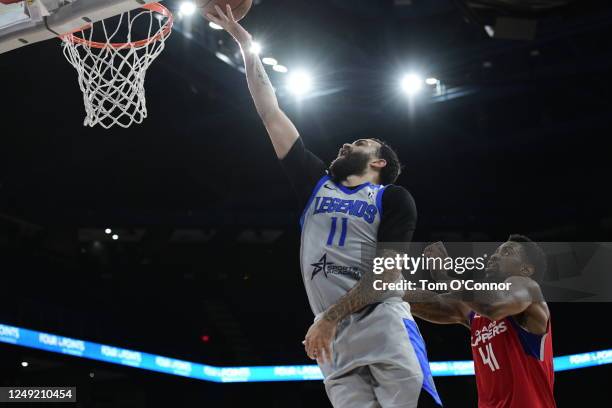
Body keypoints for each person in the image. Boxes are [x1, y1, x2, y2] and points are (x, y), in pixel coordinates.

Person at [205, 5, 441, 407]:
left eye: (361, 144)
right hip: (333, 337)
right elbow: (270, 111)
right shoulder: (315, 183)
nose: (347, 145)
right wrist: (247, 47)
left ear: (379, 162)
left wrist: (329, 318)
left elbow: (384, 279)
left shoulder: (393, 199)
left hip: (381, 322)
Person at [406, 236, 555, 408]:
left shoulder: (527, 287)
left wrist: (447, 275)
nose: (494, 256)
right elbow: (434, 303)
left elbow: (494, 307)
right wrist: (388, 289)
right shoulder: (476, 309)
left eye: (507, 252)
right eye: (496, 251)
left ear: (526, 270)